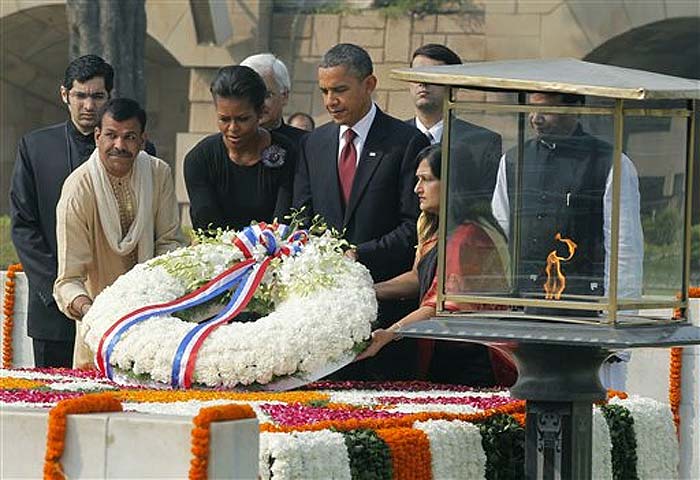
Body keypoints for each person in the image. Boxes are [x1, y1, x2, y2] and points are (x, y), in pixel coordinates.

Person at [294, 43, 430, 379]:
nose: (330, 101)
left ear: (369, 84)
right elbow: (302, 217)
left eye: (340, 90)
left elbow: (413, 226)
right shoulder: (314, 143)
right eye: (325, 91)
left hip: (386, 313)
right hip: (323, 313)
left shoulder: (406, 141)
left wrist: (359, 254)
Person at [491, 92, 643, 389]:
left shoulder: (610, 163)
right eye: (531, 110)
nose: (536, 119)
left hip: (587, 318)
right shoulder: (513, 160)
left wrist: (619, 332)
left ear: (576, 109)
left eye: (546, 110)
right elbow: (501, 235)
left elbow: (624, 250)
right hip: (528, 315)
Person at [10, 55, 154, 368]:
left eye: (97, 96)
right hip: (54, 310)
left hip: (123, 311)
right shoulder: (35, 147)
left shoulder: (137, 152)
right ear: (65, 95)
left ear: (110, 97)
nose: (88, 105)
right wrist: (60, 291)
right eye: (80, 95)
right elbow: (24, 226)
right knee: (53, 404)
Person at [357, 145, 517, 386]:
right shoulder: (436, 225)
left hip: (469, 358)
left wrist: (390, 334)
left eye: (426, 180)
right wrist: (364, 291)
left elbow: (439, 305)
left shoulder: (468, 237)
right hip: (442, 348)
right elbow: (418, 277)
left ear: (452, 184)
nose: (416, 189)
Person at [53, 98, 185, 368]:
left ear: (143, 139)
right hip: (98, 334)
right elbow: (68, 280)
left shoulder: (158, 173)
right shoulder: (78, 189)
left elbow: (170, 244)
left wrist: (153, 301)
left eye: (129, 137)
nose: (120, 146)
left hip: (153, 328)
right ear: (97, 136)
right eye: (111, 136)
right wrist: (96, 315)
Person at [184, 65, 296, 231]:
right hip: (216, 252)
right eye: (224, 119)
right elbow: (207, 226)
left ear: (260, 113)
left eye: (242, 119)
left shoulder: (286, 153)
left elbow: (283, 223)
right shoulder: (200, 159)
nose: (233, 128)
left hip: (275, 251)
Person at [407, 44, 501, 203]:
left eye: (433, 75)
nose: (423, 82)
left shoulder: (481, 143)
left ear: (454, 86)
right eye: (417, 74)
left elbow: (484, 205)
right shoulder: (392, 141)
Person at [240, 53, 308, 146]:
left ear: (284, 96)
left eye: (266, 95)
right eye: (248, 95)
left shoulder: (306, 144)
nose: (257, 104)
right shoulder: (220, 146)